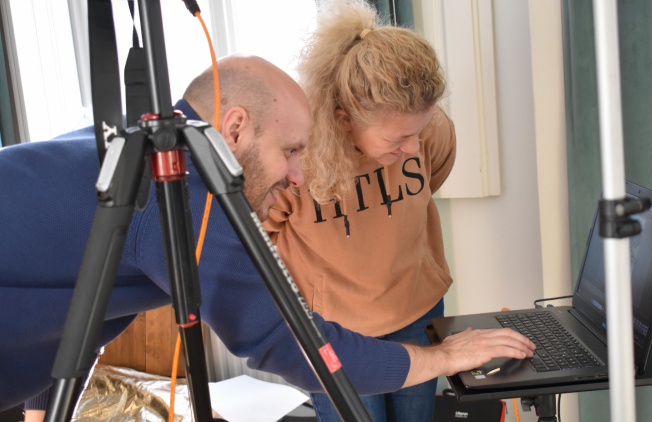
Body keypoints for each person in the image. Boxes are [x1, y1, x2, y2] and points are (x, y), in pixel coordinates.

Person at [0, 54, 535, 419]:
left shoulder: (136, 142)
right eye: (291, 151)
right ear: (234, 128)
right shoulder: (177, 196)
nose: (299, 177)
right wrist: (443, 359)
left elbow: (77, 305)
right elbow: (287, 343)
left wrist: (43, 410)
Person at [262, 1, 470, 420]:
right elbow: (260, 237)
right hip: (334, 331)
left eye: (419, 132)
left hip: (417, 310)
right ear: (344, 120)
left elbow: (433, 177)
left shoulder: (426, 130)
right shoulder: (295, 158)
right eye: (398, 139)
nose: (413, 147)